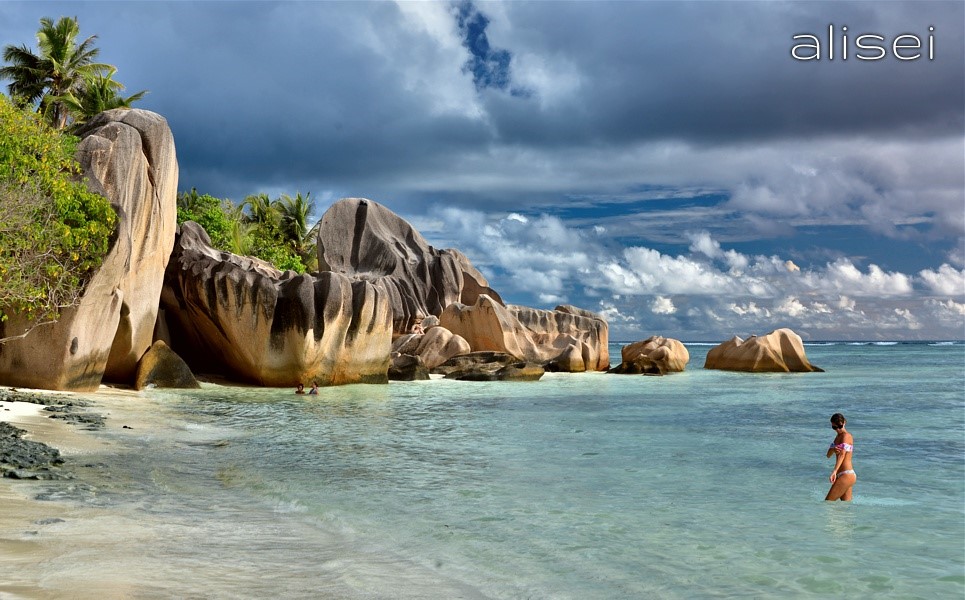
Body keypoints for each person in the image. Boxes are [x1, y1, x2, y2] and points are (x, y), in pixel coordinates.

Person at [825, 413, 856, 501]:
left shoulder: (847, 436)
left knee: (828, 502)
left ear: (844, 422)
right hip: (842, 475)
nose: (838, 429)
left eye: (839, 426)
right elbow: (828, 455)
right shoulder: (837, 437)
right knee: (845, 506)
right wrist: (833, 449)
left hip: (847, 474)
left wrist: (834, 471)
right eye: (834, 427)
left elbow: (842, 455)